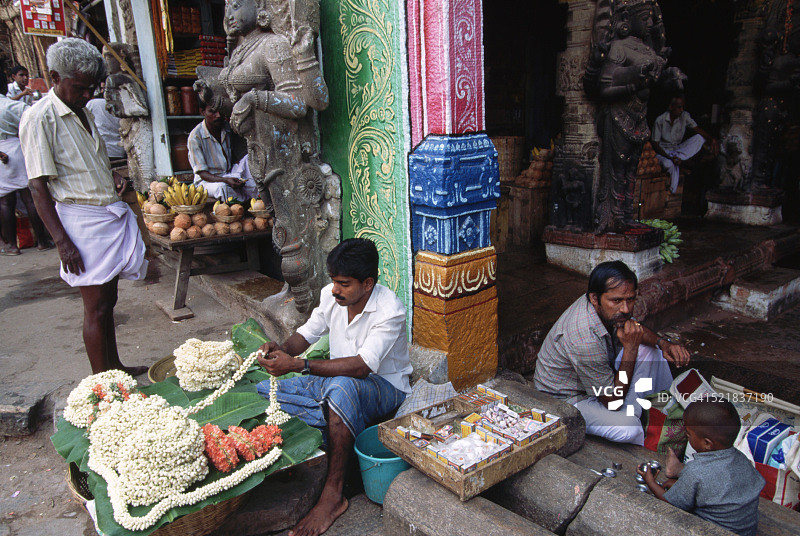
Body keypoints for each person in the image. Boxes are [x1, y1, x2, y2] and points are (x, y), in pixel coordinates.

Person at [257, 238, 412, 536]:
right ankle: (330, 413)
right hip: (338, 381)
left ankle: (333, 493)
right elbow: (306, 335)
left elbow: (361, 367)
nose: (335, 290)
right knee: (265, 391)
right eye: (333, 281)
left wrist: (298, 365)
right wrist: (281, 349)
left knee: (341, 387)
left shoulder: (390, 310)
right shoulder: (332, 297)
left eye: (344, 283)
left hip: (385, 387)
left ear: (367, 284)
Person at [20, 38, 148, 376]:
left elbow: (90, 163)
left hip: (104, 215)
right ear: (53, 77)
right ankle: (102, 385)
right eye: (79, 87)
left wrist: (114, 178)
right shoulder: (40, 118)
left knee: (109, 303)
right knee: (96, 309)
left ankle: (114, 367)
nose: (87, 94)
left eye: (92, 87)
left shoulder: (83, 111)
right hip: (81, 224)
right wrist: (62, 242)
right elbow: (37, 186)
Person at [533, 260, 691, 445]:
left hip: (600, 383)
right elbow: (613, 401)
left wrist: (664, 343)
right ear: (594, 298)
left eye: (630, 299)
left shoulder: (608, 307)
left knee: (652, 351)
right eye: (616, 301)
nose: (625, 309)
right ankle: (651, 446)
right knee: (628, 428)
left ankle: (667, 412)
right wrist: (630, 349)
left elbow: (634, 327)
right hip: (567, 399)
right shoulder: (583, 337)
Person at [638, 399, 764, 536]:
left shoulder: (696, 471)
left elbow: (670, 501)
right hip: (746, 531)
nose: (687, 437)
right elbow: (717, 486)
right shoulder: (742, 459)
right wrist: (681, 485)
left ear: (707, 444)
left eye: (688, 435)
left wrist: (650, 481)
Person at [0, 76, 52, 255]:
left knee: (6, 202)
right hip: (17, 148)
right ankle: (42, 241)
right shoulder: (11, 106)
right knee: (29, 197)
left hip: (1, 155)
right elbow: (33, 119)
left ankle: (12, 246)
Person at [187, 98, 258, 201]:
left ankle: (256, 205)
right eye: (212, 111)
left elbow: (232, 155)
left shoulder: (226, 128)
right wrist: (225, 180)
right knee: (221, 188)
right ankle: (240, 207)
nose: (218, 115)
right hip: (208, 182)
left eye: (220, 111)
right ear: (202, 112)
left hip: (229, 174)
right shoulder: (195, 137)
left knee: (248, 163)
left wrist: (238, 170)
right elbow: (203, 174)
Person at [652, 96, 719, 193]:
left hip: (677, 150)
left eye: (682, 107)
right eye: (679, 107)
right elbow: (655, 144)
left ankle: (679, 161)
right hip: (663, 152)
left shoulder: (685, 116)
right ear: (671, 107)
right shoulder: (660, 120)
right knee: (668, 164)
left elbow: (697, 129)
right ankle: (674, 181)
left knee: (699, 138)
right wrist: (670, 157)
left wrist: (711, 139)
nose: (681, 110)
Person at [85, 83, 126, 160]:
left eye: (103, 88)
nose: (102, 90)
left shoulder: (94, 103)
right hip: (120, 152)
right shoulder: (122, 105)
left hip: (103, 151)